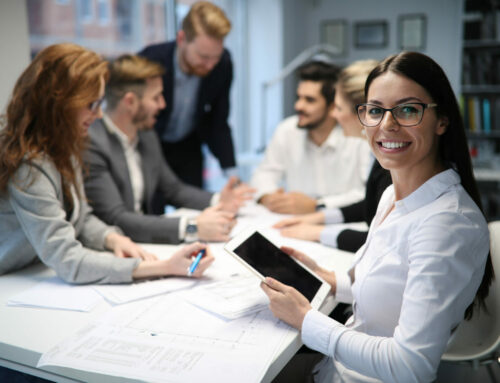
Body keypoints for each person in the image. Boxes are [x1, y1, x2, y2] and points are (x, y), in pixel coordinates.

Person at [261, 52, 494, 383]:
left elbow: (410, 367)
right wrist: (329, 281)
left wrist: (306, 320)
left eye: (408, 110)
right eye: (375, 110)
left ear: (442, 120)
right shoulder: (392, 196)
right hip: (333, 370)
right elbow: (389, 294)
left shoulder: (447, 224)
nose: (387, 124)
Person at [0, 44, 214, 284]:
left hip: (34, 273)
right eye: (91, 105)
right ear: (60, 105)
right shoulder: (29, 163)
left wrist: (112, 239)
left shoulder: (64, 146)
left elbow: (81, 217)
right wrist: (162, 267)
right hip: (10, 282)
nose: (99, 115)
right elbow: (67, 258)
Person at [84, 54, 253, 244]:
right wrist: (192, 227)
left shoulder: (146, 135)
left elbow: (173, 189)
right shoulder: (92, 144)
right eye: (156, 97)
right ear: (130, 101)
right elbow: (117, 218)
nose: (162, 104)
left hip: (144, 246)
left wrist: (220, 201)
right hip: (114, 252)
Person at [274, 60, 392, 253]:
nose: (334, 116)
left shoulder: (390, 159)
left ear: (364, 112)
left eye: (338, 108)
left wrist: (316, 232)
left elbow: (382, 242)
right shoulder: (380, 154)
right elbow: (373, 205)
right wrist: (319, 217)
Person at [250, 61, 372, 215]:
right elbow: (263, 174)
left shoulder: (356, 135)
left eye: (309, 100)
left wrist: (317, 205)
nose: (298, 106)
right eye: (298, 97)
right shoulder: (287, 130)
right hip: (294, 222)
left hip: (342, 222)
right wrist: (269, 197)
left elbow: (367, 194)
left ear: (332, 106)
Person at [139, 1, 235, 188]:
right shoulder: (150, 61)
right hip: (149, 144)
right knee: (153, 210)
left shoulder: (223, 64)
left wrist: (231, 172)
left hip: (188, 145)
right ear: (182, 39)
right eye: (203, 57)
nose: (210, 65)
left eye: (215, 57)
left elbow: (219, 120)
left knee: (197, 204)